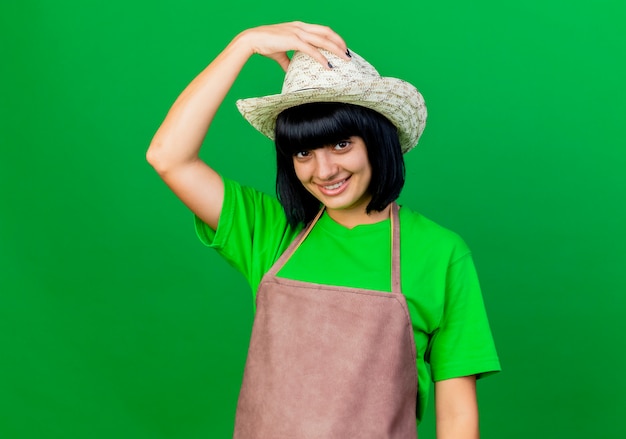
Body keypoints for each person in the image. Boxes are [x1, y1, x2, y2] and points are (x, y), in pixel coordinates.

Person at [147, 21, 500, 439]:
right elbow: (169, 157)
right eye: (303, 151)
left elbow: (458, 418)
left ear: (378, 139)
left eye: (341, 144)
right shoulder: (272, 233)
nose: (325, 170)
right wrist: (242, 46)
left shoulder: (440, 252)